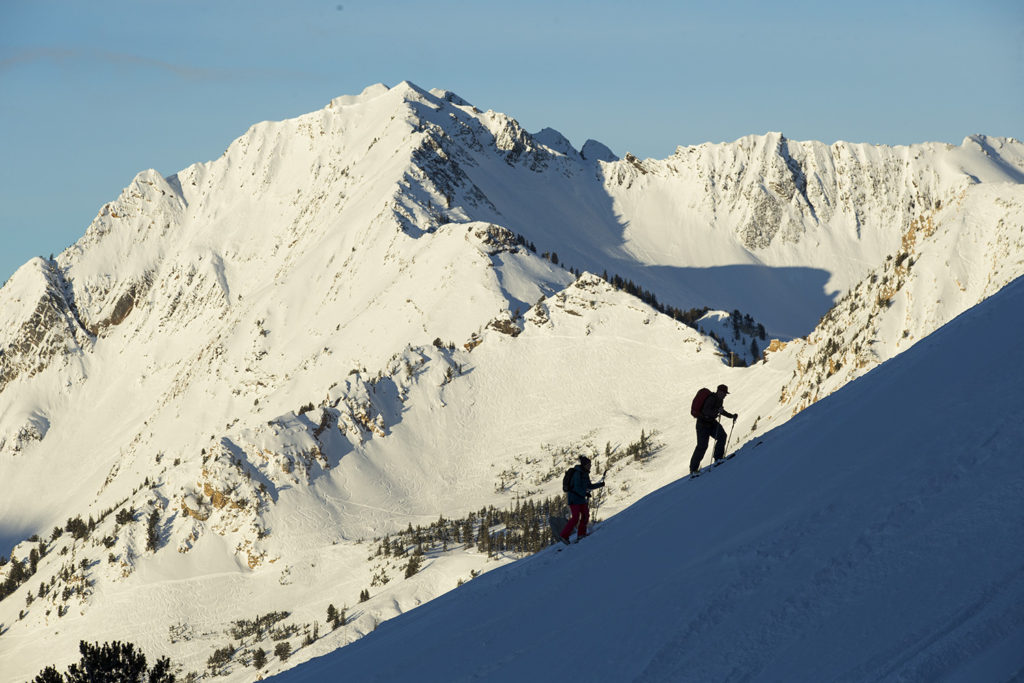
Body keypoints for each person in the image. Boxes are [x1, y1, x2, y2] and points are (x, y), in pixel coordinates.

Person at [690, 384, 738, 475]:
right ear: (719, 392)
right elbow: (706, 411)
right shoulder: (712, 398)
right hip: (702, 424)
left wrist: (731, 416)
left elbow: (721, 411)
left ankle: (718, 459)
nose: (725, 395)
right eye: (724, 393)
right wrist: (717, 411)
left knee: (722, 436)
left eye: (725, 394)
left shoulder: (719, 400)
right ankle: (693, 470)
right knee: (702, 446)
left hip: (711, 423)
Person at [560, 455, 605, 542]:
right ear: (584, 465)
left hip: (580, 499)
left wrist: (600, 484)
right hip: (574, 499)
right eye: (588, 464)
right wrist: (585, 493)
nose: (590, 466)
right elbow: (577, 487)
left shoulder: (585, 473)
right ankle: (564, 535)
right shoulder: (577, 473)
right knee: (576, 517)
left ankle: (581, 534)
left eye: (590, 464)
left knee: (585, 515)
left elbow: (589, 486)